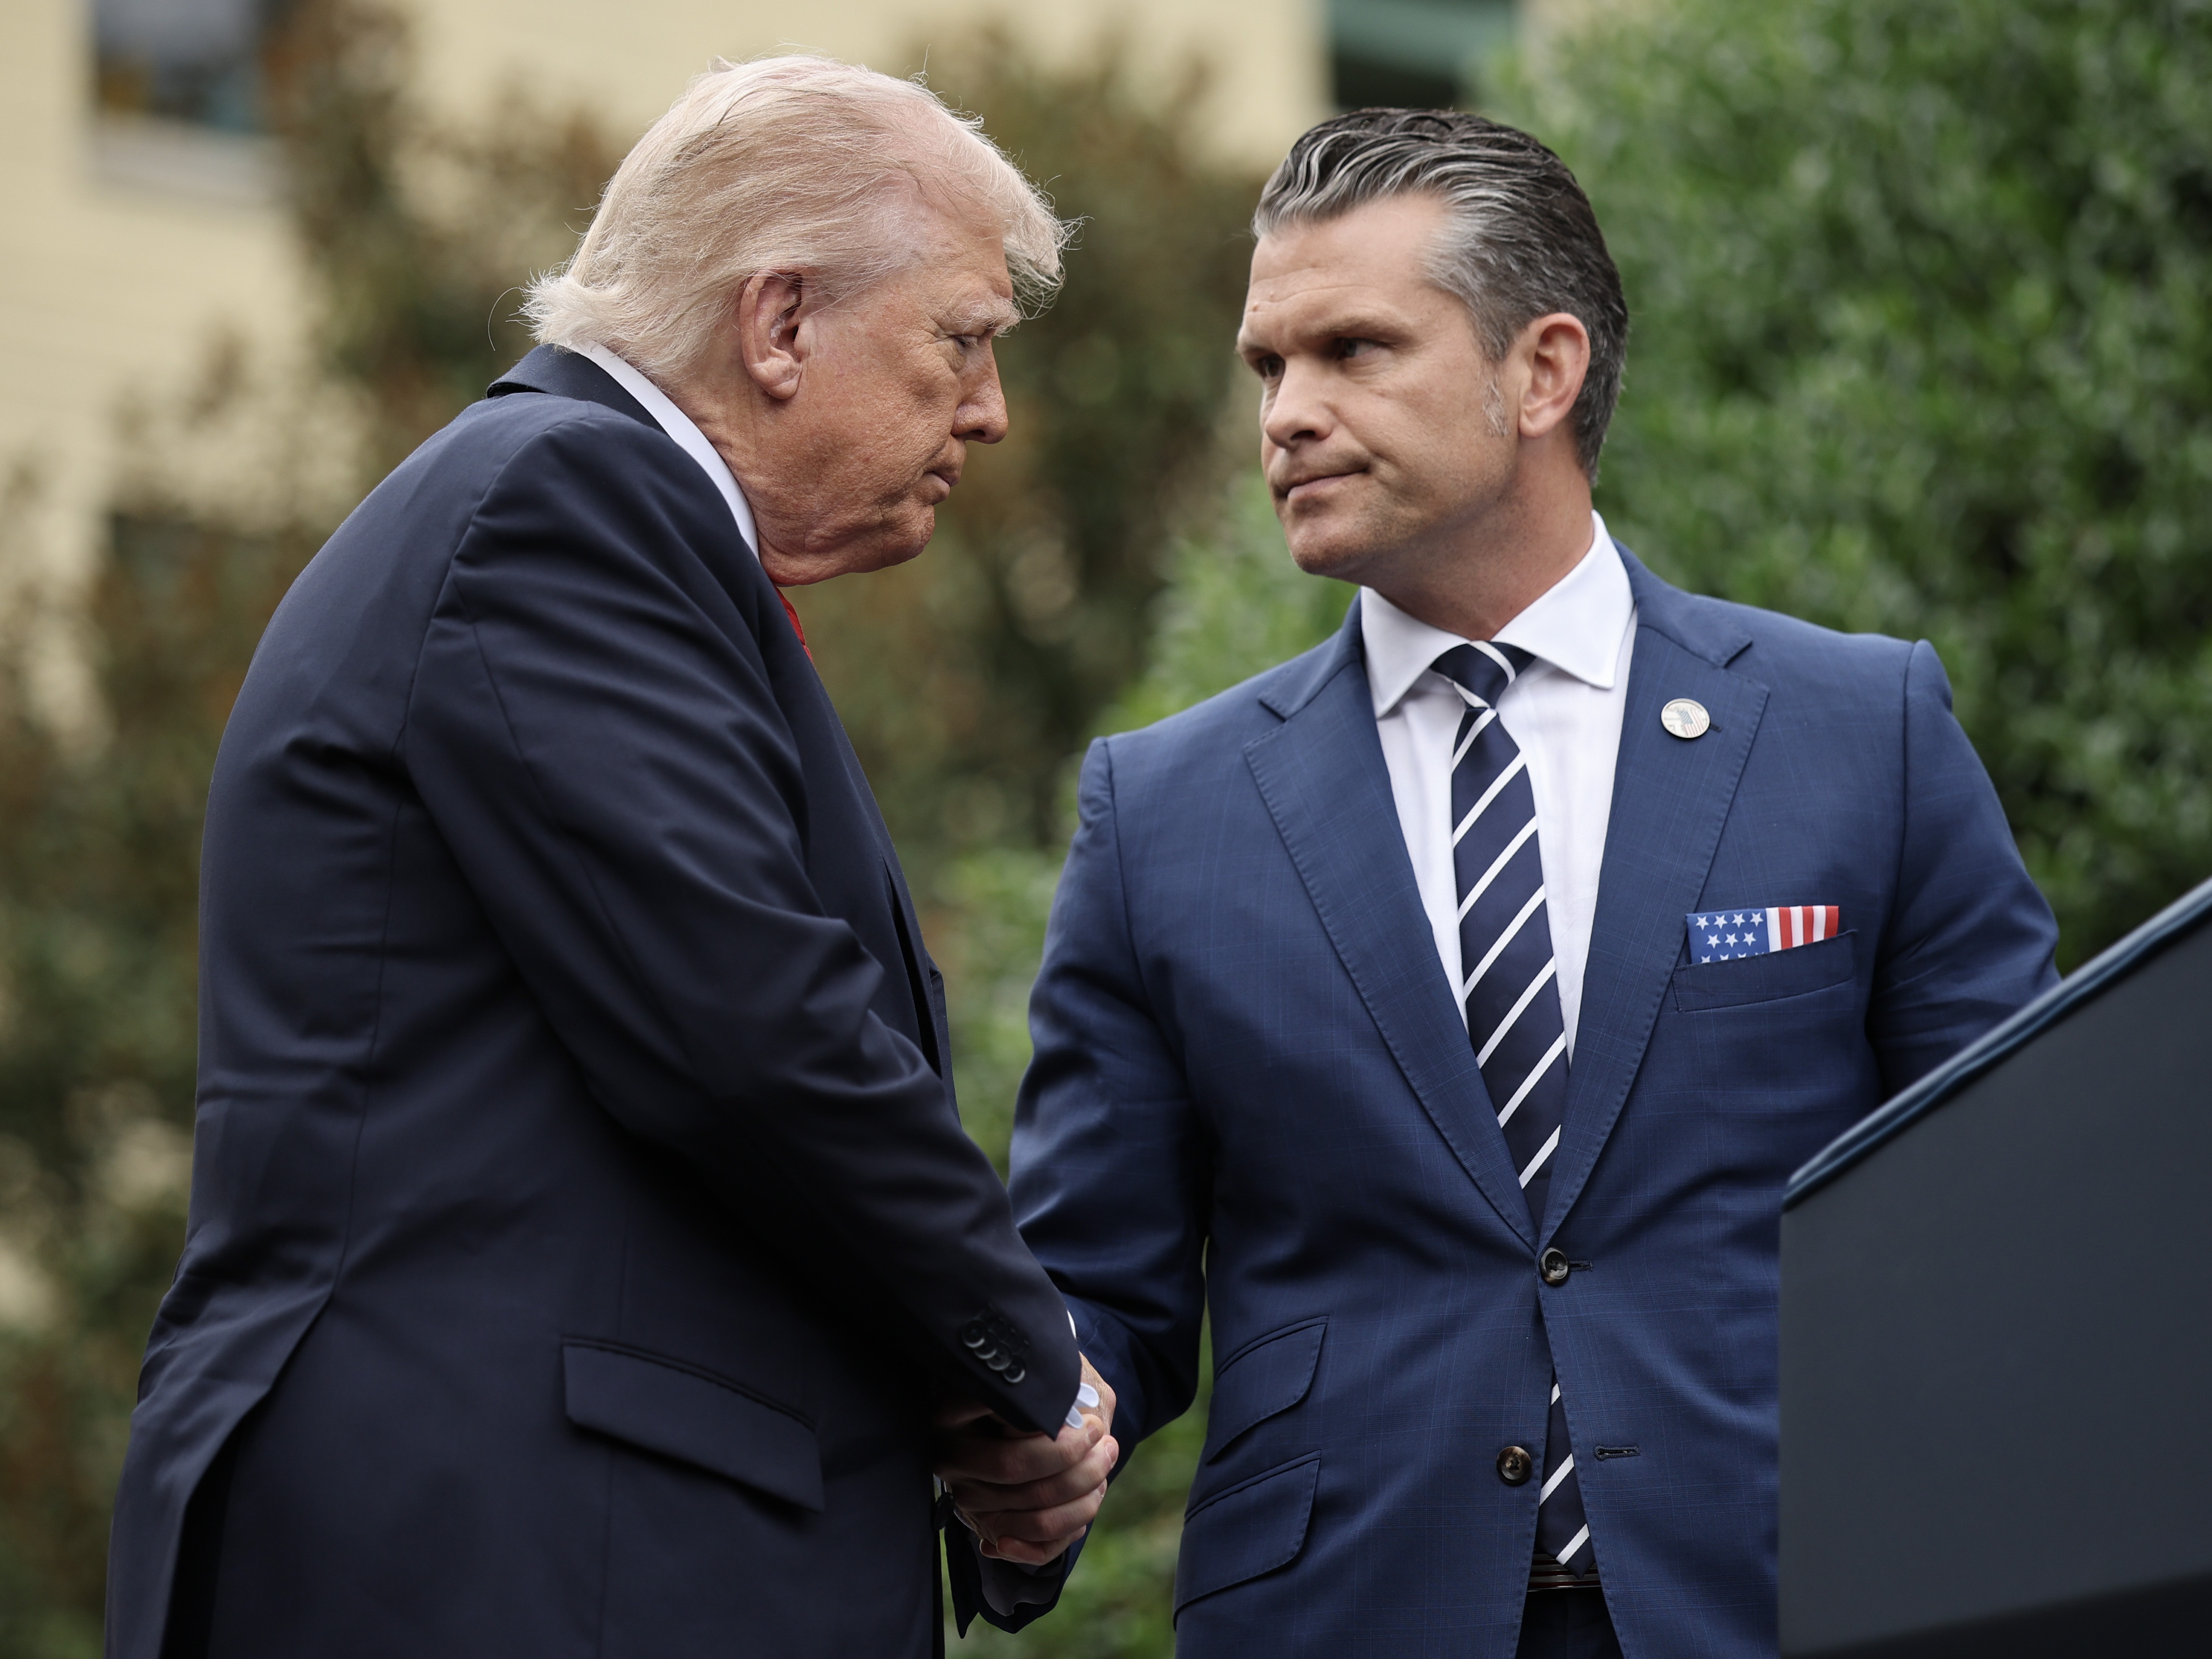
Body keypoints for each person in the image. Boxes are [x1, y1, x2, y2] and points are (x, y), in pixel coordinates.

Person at [942, 110, 2059, 1657]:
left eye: (1353, 350)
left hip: (1794, 1598)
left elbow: (2015, 1207)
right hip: (1343, 1619)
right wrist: (1026, 1438)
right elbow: (1096, 1283)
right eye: (1271, 366)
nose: (1289, 415)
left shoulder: (1860, 732)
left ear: (1543, 371)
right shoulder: (1166, 806)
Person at [105, 56, 1116, 1659]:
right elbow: (751, 1035)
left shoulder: (580, 520)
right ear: (778, 322)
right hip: (520, 1554)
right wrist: (1035, 1378)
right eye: (964, 339)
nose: (989, 410)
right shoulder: (564, 503)